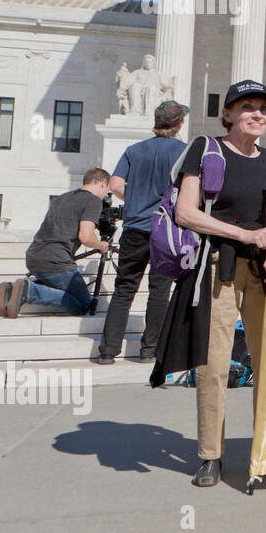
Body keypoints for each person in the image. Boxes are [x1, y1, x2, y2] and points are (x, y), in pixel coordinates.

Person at [151, 80, 266, 488]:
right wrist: (245, 234)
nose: (258, 114)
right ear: (227, 114)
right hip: (219, 268)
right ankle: (211, 456)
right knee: (213, 365)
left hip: (263, 273)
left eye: (264, 108)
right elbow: (185, 213)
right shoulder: (205, 150)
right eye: (247, 107)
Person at [95, 101, 189, 364]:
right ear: (179, 124)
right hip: (165, 229)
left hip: (134, 227)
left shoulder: (133, 150)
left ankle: (107, 351)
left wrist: (135, 199)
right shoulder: (184, 151)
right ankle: (149, 349)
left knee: (124, 288)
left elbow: (114, 185)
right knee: (160, 290)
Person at [0, 169, 110, 318]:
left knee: (59, 285)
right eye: (107, 189)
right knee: (83, 304)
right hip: (56, 261)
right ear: (103, 183)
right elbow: (86, 237)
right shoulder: (93, 200)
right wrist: (101, 245)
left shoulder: (62, 198)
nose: (105, 195)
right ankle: (28, 291)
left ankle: (11, 290)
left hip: (34, 257)